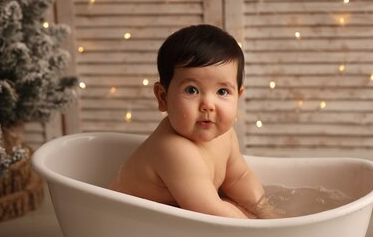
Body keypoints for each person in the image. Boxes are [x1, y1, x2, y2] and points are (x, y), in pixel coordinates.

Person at [109, 24, 272, 219]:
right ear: (163, 97)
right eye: (191, 90)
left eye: (222, 92)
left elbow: (239, 178)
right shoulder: (173, 148)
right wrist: (259, 229)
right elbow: (211, 211)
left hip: (181, 219)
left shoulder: (226, 135)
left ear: (238, 95)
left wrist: (266, 211)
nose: (208, 105)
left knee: (235, 204)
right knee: (229, 209)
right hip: (127, 223)